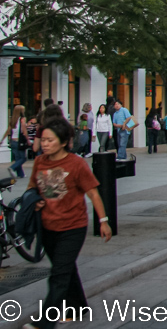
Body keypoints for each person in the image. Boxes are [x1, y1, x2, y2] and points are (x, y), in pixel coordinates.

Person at [26, 118, 111, 329]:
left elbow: (93, 193)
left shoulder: (76, 164)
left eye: (49, 140)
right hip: (47, 226)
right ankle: (78, 307)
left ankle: (44, 323)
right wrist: (35, 202)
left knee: (58, 275)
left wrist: (104, 221)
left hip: (73, 227)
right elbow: (34, 191)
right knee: (65, 269)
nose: (44, 144)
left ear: (63, 142)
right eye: (42, 140)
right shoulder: (40, 162)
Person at [4, 104, 28, 178]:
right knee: (23, 158)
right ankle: (12, 167)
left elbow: (8, 130)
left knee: (18, 158)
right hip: (19, 141)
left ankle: (21, 174)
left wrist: (2, 140)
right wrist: (28, 139)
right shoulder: (22, 119)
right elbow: (24, 130)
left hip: (13, 141)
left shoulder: (13, 120)